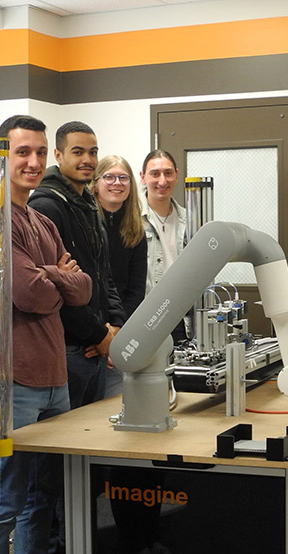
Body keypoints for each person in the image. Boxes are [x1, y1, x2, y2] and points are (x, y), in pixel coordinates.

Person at [0, 115, 91, 554]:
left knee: (44, 493)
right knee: (1, 500)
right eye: (23, 152)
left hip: (54, 376)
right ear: (2, 155)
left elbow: (81, 288)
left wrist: (55, 275)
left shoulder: (37, 217)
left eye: (41, 152)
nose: (34, 162)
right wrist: (55, 276)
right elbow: (30, 295)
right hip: (15, 379)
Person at [28, 121, 125, 408]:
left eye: (93, 152)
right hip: (71, 351)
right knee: (64, 449)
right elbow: (58, 288)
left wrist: (115, 325)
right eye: (78, 152)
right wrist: (99, 334)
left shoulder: (90, 205)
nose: (87, 160)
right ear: (58, 156)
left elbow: (103, 275)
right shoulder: (45, 207)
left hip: (98, 345)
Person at [94, 155, 146, 398]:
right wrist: (101, 332)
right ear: (95, 183)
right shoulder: (87, 223)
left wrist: (117, 333)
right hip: (92, 329)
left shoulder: (136, 230)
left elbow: (136, 289)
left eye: (123, 177)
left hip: (121, 331)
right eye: (109, 177)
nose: (117, 183)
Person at [140, 149, 190, 343]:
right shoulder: (132, 220)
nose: (162, 181)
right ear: (143, 177)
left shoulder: (190, 220)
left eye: (168, 173)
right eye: (155, 174)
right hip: (146, 317)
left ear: (176, 175)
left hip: (181, 318)